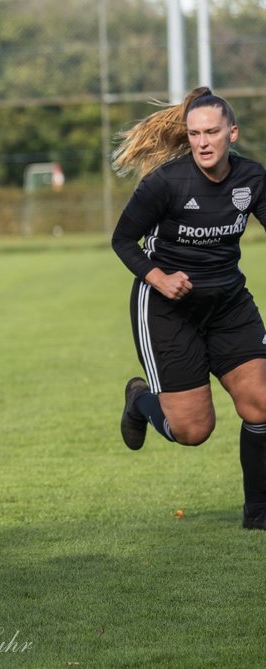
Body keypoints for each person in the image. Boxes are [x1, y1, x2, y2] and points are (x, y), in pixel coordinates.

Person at [113, 87, 266, 529]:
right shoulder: (166, 182)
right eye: (195, 133)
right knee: (193, 431)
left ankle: (257, 513)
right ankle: (141, 400)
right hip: (167, 309)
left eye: (212, 132)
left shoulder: (253, 179)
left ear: (231, 133)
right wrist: (158, 277)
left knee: (260, 404)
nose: (202, 141)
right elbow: (122, 240)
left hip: (228, 305)